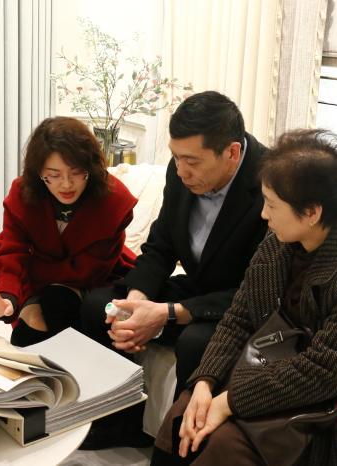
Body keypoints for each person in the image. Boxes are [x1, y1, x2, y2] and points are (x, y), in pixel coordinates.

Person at [151, 129, 337, 465]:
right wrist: (204, 382)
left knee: (228, 442)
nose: (264, 214)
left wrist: (229, 402)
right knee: (185, 413)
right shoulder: (279, 243)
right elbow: (239, 319)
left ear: (312, 212)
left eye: (272, 204)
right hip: (277, 367)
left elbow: (324, 373)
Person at [77, 91, 268, 449]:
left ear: (231, 153)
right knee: (101, 306)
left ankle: (177, 447)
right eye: (176, 157)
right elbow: (160, 247)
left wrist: (166, 314)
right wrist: (136, 303)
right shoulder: (179, 171)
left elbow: (258, 290)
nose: (181, 171)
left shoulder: (269, 184)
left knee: (197, 343)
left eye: (191, 161)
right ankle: (118, 422)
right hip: (195, 287)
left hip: (238, 307)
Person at [0, 116, 137, 346]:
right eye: (54, 175)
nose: (66, 184)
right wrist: (7, 299)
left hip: (100, 280)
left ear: (91, 167)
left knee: (58, 302)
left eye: (76, 172)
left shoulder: (114, 200)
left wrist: (29, 269)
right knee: (26, 336)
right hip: (45, 283)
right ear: (38, 172)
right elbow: (11, 251)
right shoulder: (23, 193)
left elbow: (89, 270)